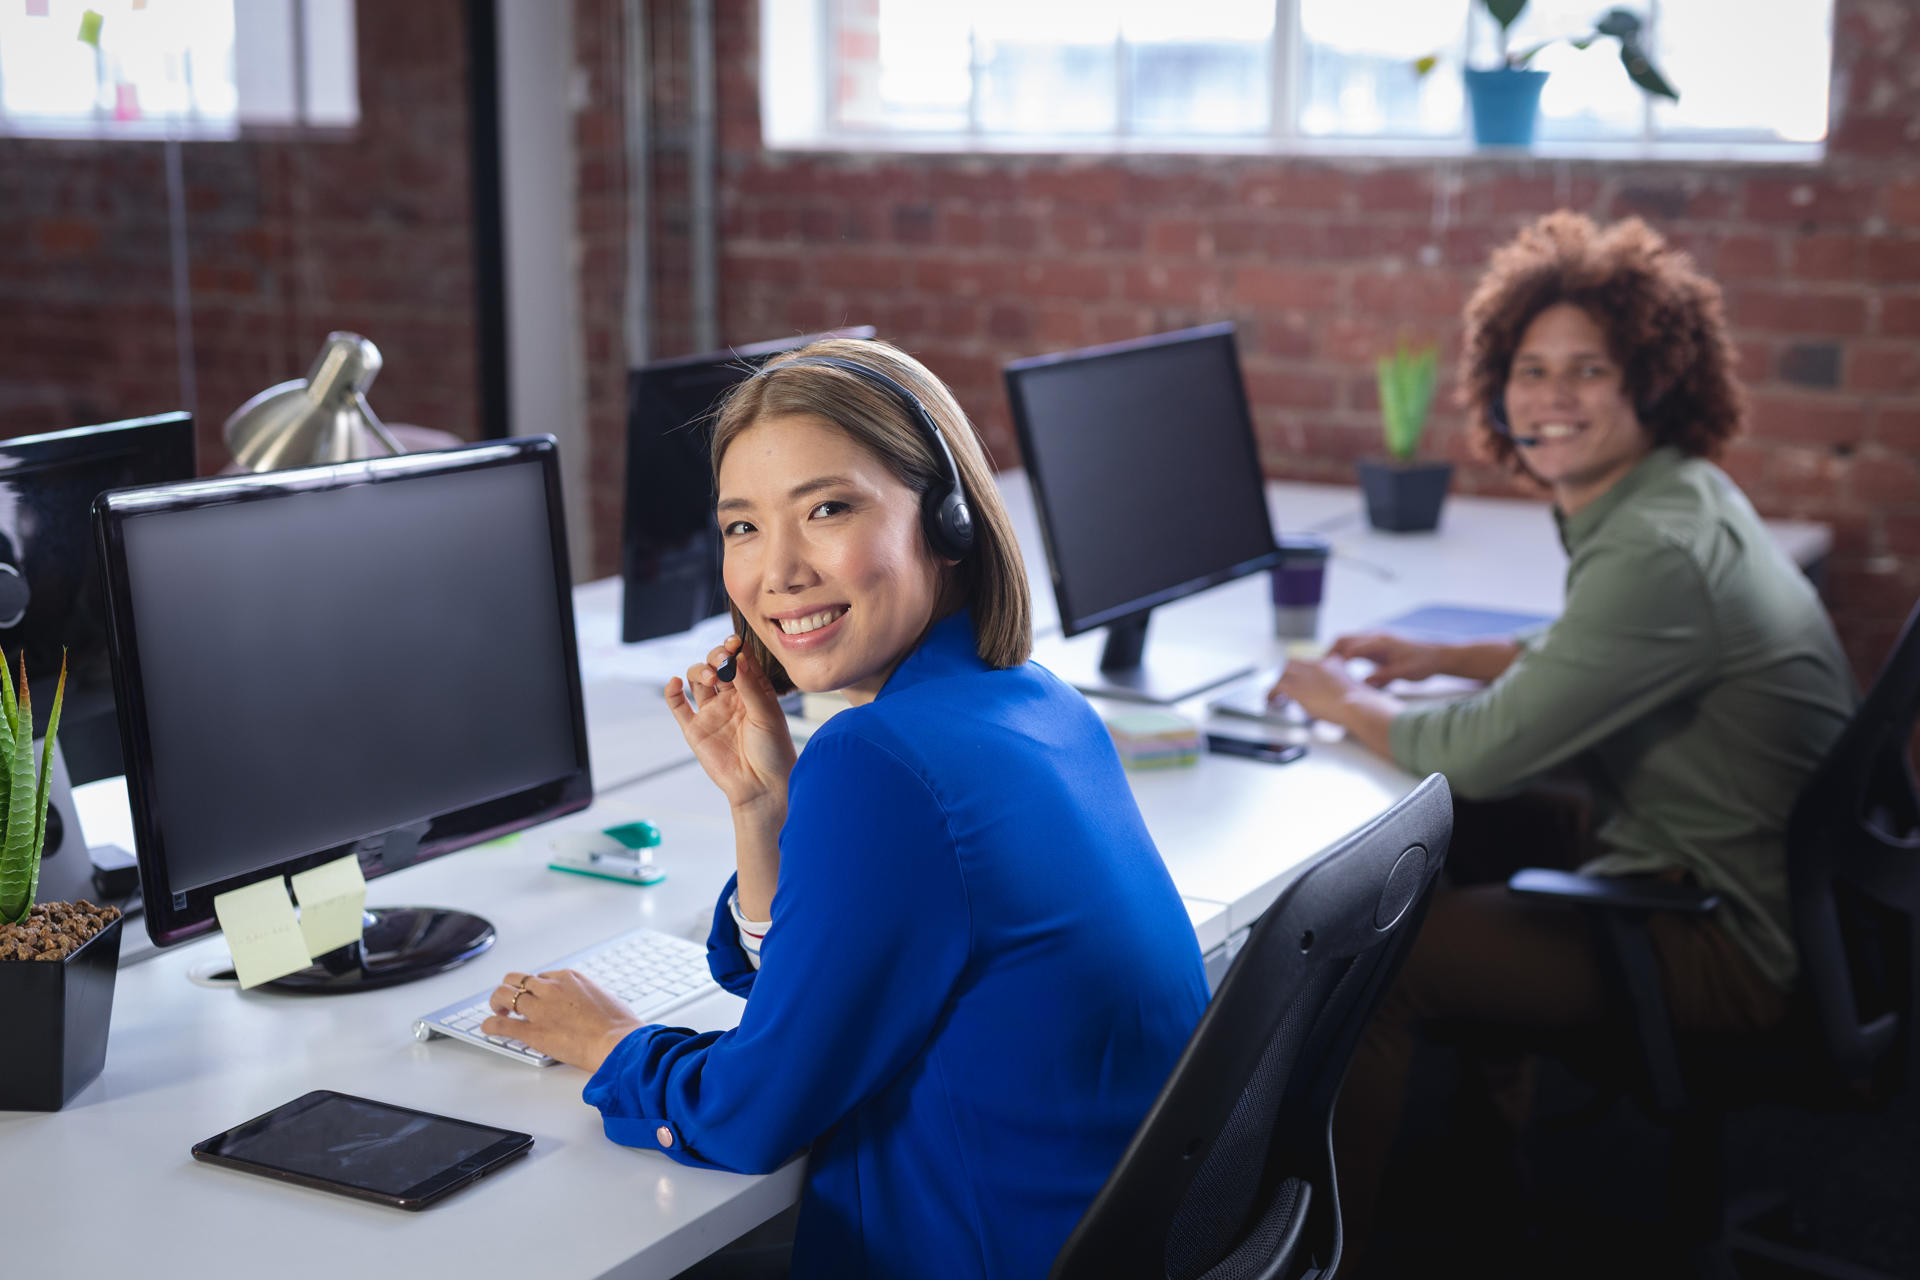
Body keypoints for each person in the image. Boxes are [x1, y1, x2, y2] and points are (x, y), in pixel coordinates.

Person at [479, 338, 1210, 1279]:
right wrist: (763, 808)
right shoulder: (1039, 703)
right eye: (743, 526)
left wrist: (609, 1042)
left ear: (947, 523)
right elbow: (820, 1006)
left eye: (827, 509)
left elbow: (752, 1117)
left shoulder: (882, 758)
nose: (777, 572)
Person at [1271, 212, 1857, 1265]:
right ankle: (1488, 1192)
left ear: (1653, 381)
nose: (1552, 397)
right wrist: (1450, 654)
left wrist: (1339, 696)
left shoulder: (1654, 548)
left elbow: (1482, 752)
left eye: (1590, 370)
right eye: (1532, 370)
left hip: (1730, 942)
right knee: (1481, 833)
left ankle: (1328, 1258)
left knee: (1373, 967)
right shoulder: (1680, 496)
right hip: (1768, 893)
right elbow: (1603, 651)